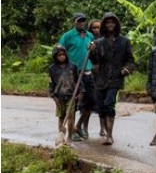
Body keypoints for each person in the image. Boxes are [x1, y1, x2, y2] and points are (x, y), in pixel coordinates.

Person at [87, 12, 136, 146]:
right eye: (107, 23)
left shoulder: (124, 42)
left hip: (115, 78)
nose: (110, 25)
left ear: (116, 25)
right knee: (101, 106)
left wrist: (126, 69)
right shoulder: (98, 43)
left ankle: (109, 135)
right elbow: (95, 61)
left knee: (109, 104)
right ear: (104, 25)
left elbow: (131, 61)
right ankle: (104, 130)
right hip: (100, 79)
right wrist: (91, 51)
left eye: (112, 22)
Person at [58, 13, 96, 141]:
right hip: (72, 75)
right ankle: (71, 132)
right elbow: (59, 52)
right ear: (74, 22)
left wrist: (93, 48)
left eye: (83, 21)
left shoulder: (89, 35)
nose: (81, 23)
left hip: (87, 72)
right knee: (72, 104)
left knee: (91, 102)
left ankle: (78, 125)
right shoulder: (67, 36)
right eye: (79, 21)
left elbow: (93, 51)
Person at [47, 45, 79, 145]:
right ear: (55, 56)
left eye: (63, 54)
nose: (62, 57)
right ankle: (61, 136)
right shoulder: (52, 69)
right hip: (59, 97)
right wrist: (54, 97)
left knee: (70, 117)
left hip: (71, 95)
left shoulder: (72, 66)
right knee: (61, 117)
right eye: (59, 55)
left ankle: (69, 137)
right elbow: (51, 84)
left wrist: (81, 92)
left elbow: (78, 81)